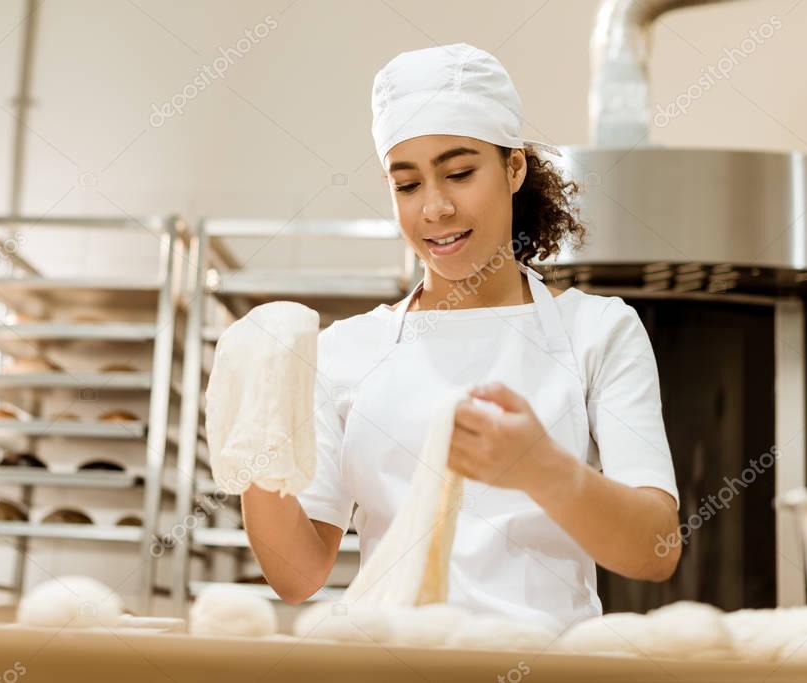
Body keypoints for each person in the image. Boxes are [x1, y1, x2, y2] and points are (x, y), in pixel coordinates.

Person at [242, 42, 680, 633]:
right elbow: (298, 575)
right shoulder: (346, 349)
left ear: (514, 167)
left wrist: (541, 468)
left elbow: (655, 550)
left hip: (542, 663)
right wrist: (250, 437)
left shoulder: (598, 331)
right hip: (387, 665)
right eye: (407, 185)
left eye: (459, 173)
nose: (435, 208)